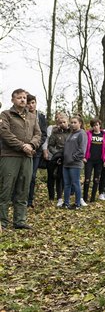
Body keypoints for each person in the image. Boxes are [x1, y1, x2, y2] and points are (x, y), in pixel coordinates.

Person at [0, 89, 42, 229]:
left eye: (24, 97)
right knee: (6, 189)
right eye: (19, 98)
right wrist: (21, 146)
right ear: (13, 100)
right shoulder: (6, 114)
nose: (23, 100)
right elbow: (4, 133)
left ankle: (20, 221)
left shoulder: (32, 117)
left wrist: (31, 145)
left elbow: (38, 134)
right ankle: (2, 222)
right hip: (10, 156)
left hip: (27, 157)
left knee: (23, 189)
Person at [24, 94, 48, 208]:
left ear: (36, 103)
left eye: (32, 102)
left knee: (32, 176)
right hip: (23, 149)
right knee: (22, 175)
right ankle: (18, 198)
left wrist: (34, 146)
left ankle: (30, 200)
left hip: (36, 150)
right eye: (28, 103)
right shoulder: (22, 115)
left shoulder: (41, 117)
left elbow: (43, 134)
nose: (30, 105)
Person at [62, 116, 87, 209]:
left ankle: (77, 204)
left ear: (80, 123)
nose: (72, 124)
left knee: (76, 183)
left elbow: (82, 150)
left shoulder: (82, 134)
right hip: (66, 163)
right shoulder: (70, 134)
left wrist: (73, 158)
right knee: (67, 184)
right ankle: (66, 203)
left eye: (75, 122)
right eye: (71, 122)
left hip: (75, 163)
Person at [83, 119, 105, 203]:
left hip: (99, 161)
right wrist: (84, 157)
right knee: (87, 179)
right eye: (94, 125)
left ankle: (93, 198)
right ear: (92, 126)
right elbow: (84, 146)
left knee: (96, 179)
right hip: (89, 160)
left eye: (97, 125)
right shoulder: (88, 134)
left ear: (100, 125)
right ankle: (84, 198)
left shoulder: (104, 135)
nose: (96, 127)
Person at [47, 114, 71, 207]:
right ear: (57, 123)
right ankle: (59, 198)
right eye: (60, 122)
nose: (62, 124)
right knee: (59, 178)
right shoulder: (55, 133)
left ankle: (67, 196)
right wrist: (57, 154)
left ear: (67, 122)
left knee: (68, 178)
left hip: (70, 157)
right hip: (59, 157)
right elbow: (50, 145)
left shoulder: (71, 132)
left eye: (64, 122)